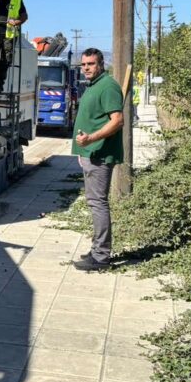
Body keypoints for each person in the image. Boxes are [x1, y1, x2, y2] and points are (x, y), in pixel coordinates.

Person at [71, 48, 125, 271]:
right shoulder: (94, 86)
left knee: (98, 203)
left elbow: (117, 120)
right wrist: (83, 151)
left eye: (91, 64)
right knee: (95, 203)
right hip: (90, 154)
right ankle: (97, 249)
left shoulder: (108, 86)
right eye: (84, 64)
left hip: (100, 155)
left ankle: (101, 256)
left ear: (101, 64)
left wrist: (91, 139)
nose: (86, 68)